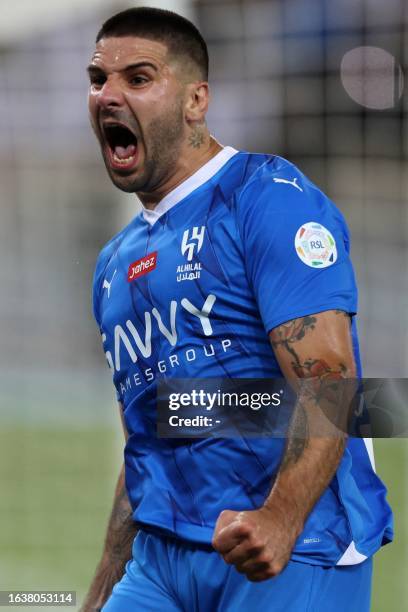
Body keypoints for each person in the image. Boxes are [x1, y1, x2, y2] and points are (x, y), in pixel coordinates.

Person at [83, 6, 393, 612]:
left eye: (138, 78)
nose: (108, 95)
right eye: (98, 79)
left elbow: (329, 379)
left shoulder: (265, 198)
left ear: (196, 99)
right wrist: (102, 588)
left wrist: (279, 517)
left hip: (296, 549)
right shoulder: (113, 264)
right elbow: (147, 437)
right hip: (162, 561)